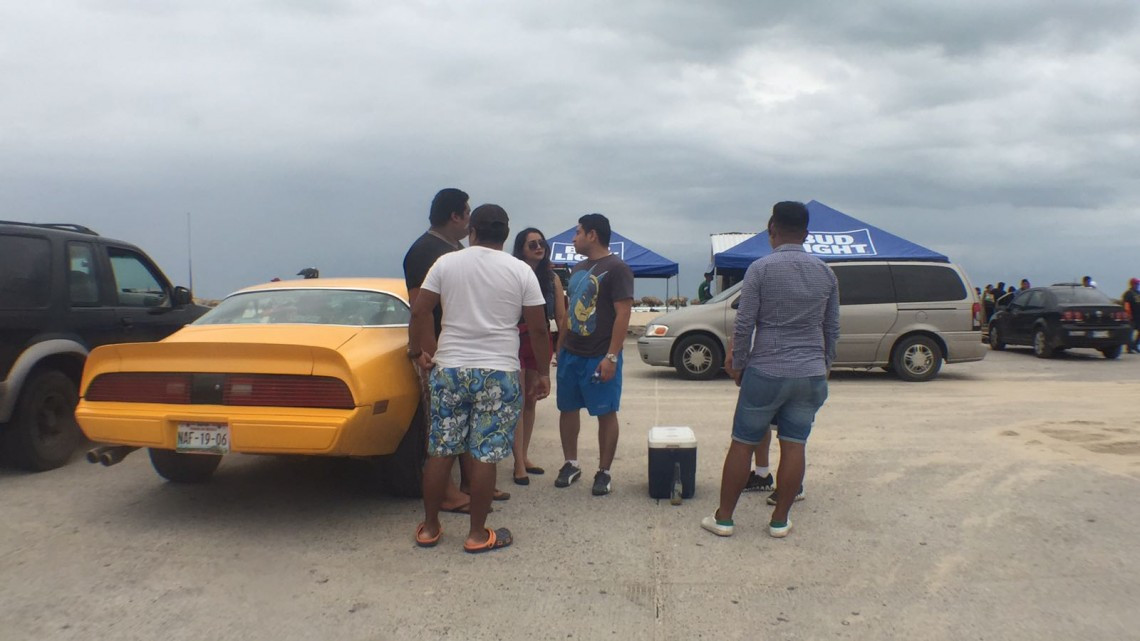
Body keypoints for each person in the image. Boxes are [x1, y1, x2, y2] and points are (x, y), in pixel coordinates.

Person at [408, 204, 552, 553]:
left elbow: (420, 309)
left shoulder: (446, 263)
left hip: (451, 368)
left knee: (440, 450)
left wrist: (421, 350)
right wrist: (544, 373)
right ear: (505, 234)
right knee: (486, 455)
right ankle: (476, 534)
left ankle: (429, 528)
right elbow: (537, 327)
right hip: (498, 371)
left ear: (472, 230)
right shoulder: (520, 271)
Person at [701, 201, 839, 539]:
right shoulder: (826, 272)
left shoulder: (760, 269)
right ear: (806, 234)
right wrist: (825, 365)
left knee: (743, 443)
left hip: (767, 369)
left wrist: (738, 364)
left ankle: (724, 519)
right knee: (795, 444)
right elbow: (832, 327)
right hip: (809, 372)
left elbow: (745, 322)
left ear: (771, 229)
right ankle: (779, 521)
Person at [402, 188, 506, 512]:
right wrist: (428, 356)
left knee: (464, 424)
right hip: (439, 353)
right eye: (467, 211)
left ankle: (470, 483)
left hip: (457, 349)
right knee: (442, 430)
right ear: (456, 216)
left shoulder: (452, 248)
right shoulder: (424, 250)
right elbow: (420, 308)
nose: (470, 219)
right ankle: (446, 494)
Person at [554, 213, 634, 496]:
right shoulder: (576, 270)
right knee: (567, 408)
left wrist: (612, 356)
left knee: (606, 412)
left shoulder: (617, 268)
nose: (574, 238)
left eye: (578, 233)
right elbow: (568, 311)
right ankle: (571, 463)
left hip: (600, 355)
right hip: (571, 354)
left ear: (592, 235)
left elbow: (623, 313)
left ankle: (604, 471)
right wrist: (559, 347)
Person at [510, 228, 568, 485]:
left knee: (531, 400)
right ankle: (518, 463)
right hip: (514, 337)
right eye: (531, 243)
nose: (538, 247)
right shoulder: (512, 273)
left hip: (540, 338)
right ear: (521, 248)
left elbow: (560, 315)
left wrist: (559, 347)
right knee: (519, 400)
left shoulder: (551, 277)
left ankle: (524, 455)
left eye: (541, 242)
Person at [1122, 278, 1140, 354]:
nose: (1137, 285)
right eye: (1136, 284)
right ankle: (1129, 347)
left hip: (1139, 316)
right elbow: (1126, 305)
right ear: (1132, 284)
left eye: (1138, 284)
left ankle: (1135, 345)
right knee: (1130, 332)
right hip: (1132, 317)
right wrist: (1128, 315)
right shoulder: (1128, 294)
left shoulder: (1138, 293)